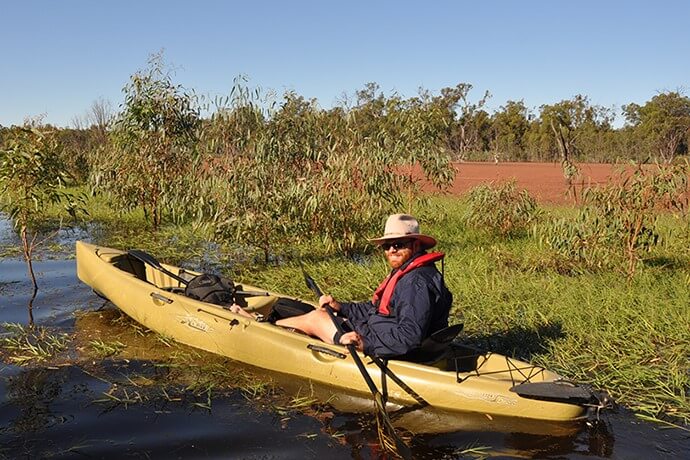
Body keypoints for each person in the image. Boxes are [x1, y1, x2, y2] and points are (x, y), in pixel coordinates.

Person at [276, 213, 453, 358]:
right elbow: (376, 309)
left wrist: (365, 343)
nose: (391, 250)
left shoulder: (415, 283)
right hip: (382, 332)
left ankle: (271, 329)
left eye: (398, 245)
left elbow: (409, 336)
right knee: (323, 312)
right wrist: (341, 307)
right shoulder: (408, 271)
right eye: (387, 246)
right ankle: (277, 326)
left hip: (392, 346)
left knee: (316, 318)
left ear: (415, 245)